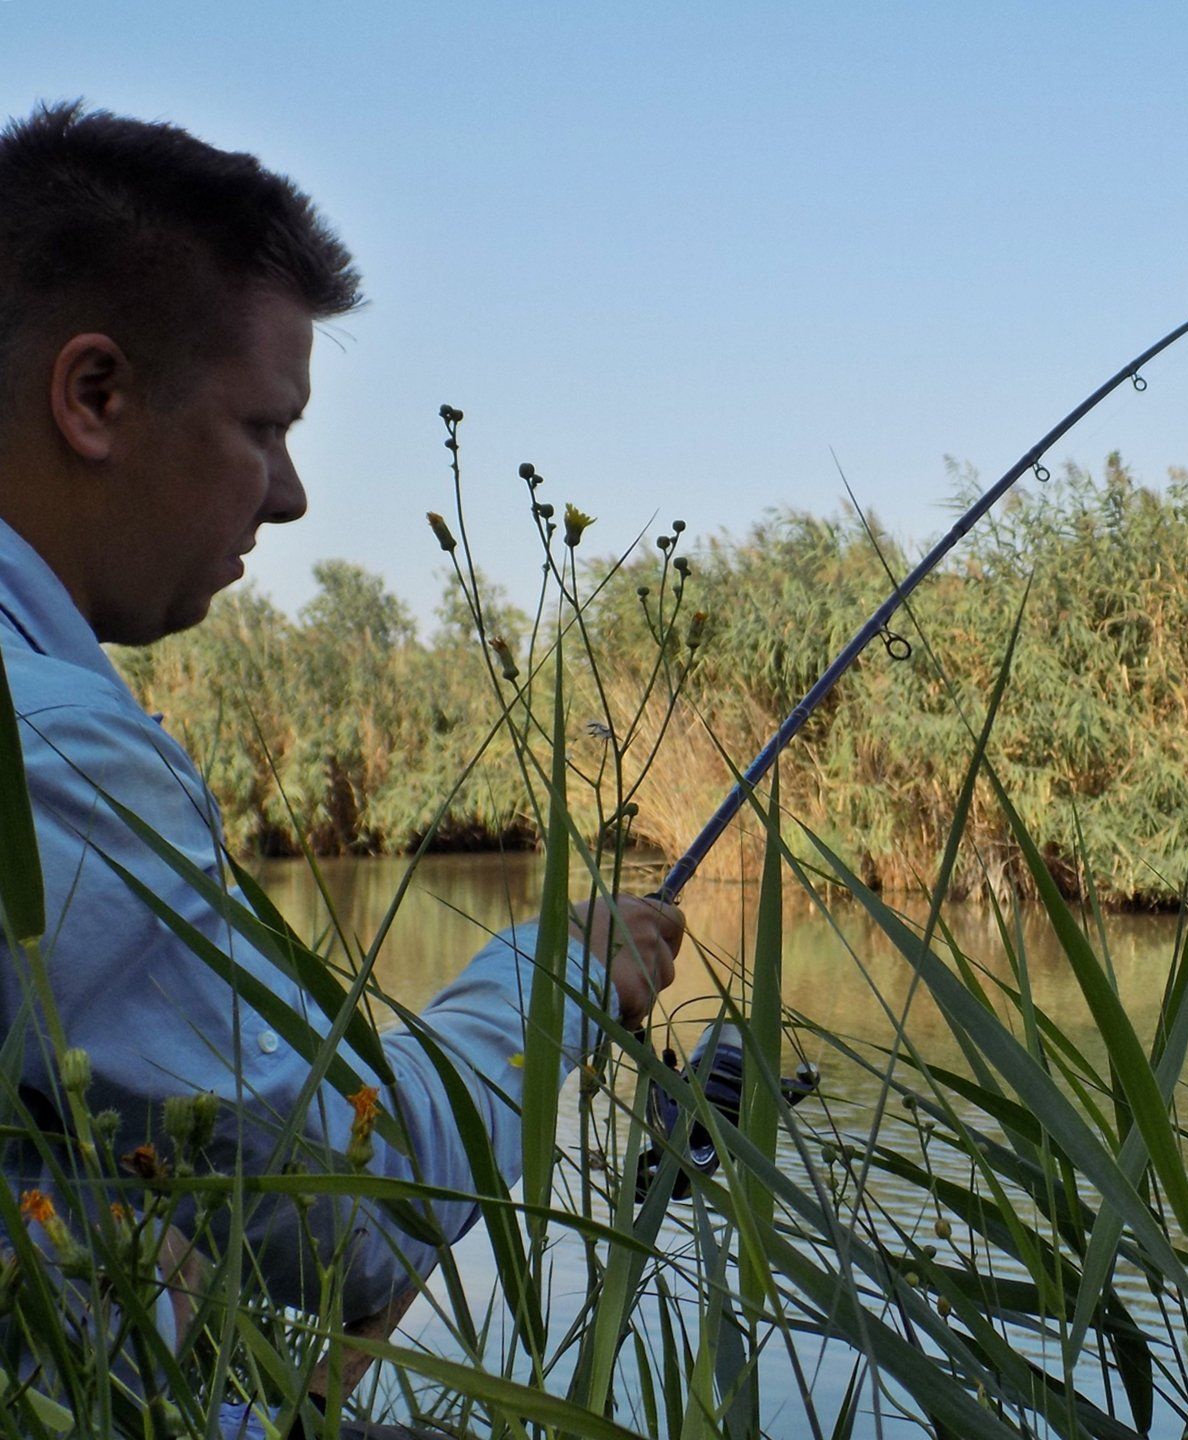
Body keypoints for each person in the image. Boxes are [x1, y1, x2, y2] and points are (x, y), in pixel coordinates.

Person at [0, 101, 684, 1436]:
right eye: (266, 425)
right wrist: (553, 986)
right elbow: (366, 1205)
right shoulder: (52, 756)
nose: (292, 493)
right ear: (96, 396)